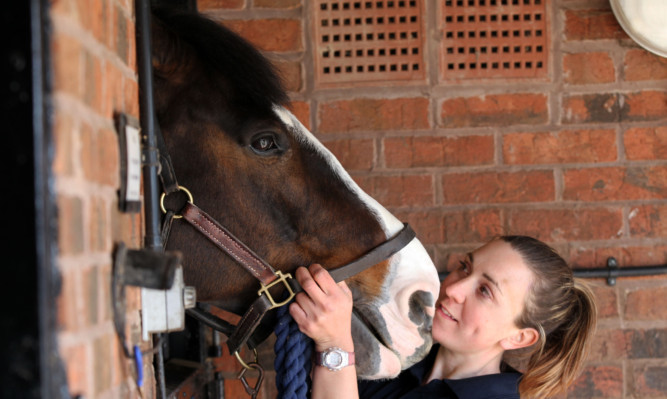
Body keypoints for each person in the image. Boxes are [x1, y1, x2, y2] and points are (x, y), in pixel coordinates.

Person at [289, 235, 597, 399]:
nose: (454, 288)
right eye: (465, 267)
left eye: (485, 291)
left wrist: (334, 345)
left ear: (519, 337)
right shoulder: (396, 353)